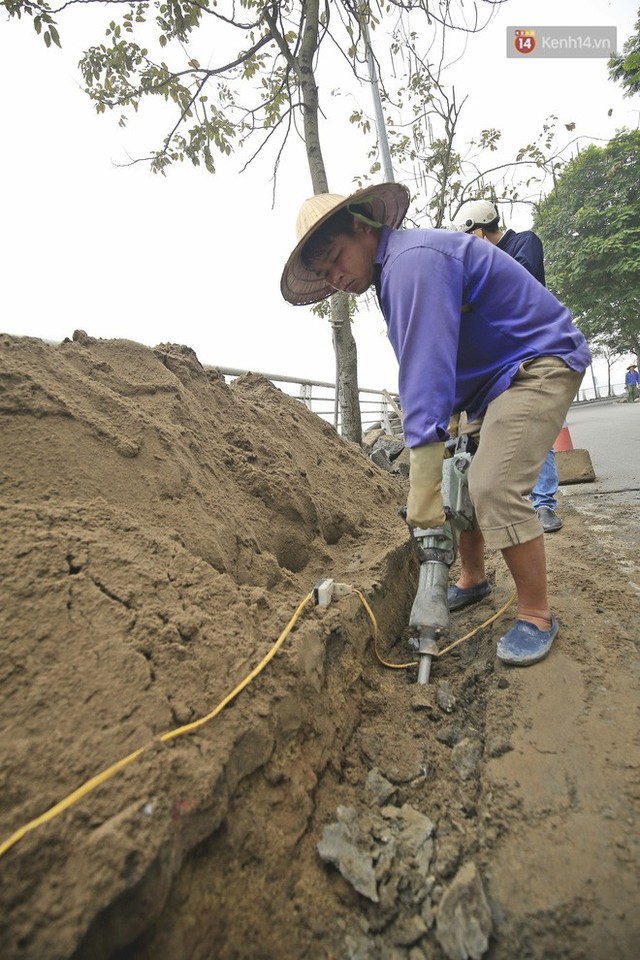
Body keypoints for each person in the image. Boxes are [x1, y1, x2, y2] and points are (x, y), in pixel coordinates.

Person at [280, 184, 591, 666]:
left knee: (493, 482)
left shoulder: (412, 262)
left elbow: (423, 370)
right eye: (325, 273)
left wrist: (421, 477)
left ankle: (535, 613)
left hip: (536, 361)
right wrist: (438, 458)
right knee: (460, 478)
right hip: (492, 382)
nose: (336, 277)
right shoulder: (394, 274)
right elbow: (433, 361)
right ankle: (472, 579)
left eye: (337, 259)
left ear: (364, 227)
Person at [453, 199, 563, 534]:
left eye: (472, 239)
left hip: (533, 354)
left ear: (482, 230)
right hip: (500, 361)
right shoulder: (483, 261)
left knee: (532, 426)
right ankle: (515, 502)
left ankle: (544, 504)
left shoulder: (524, 243)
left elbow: (515, 283)